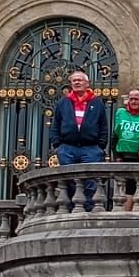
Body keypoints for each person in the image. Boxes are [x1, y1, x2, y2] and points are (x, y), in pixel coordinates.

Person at [48, 70, 110, 210]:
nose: (77, 82)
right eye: (74, 80)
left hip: (91, 148)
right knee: (69, 180)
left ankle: (87, 209)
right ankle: (71, 209)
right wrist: (57, 145)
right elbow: (56, 125)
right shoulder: (63, 102)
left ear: (87, 83)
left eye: (80, 80)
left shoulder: (96, 102)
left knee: (90, 181)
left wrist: (100, 146)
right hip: (67, 148)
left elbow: (103, 126)